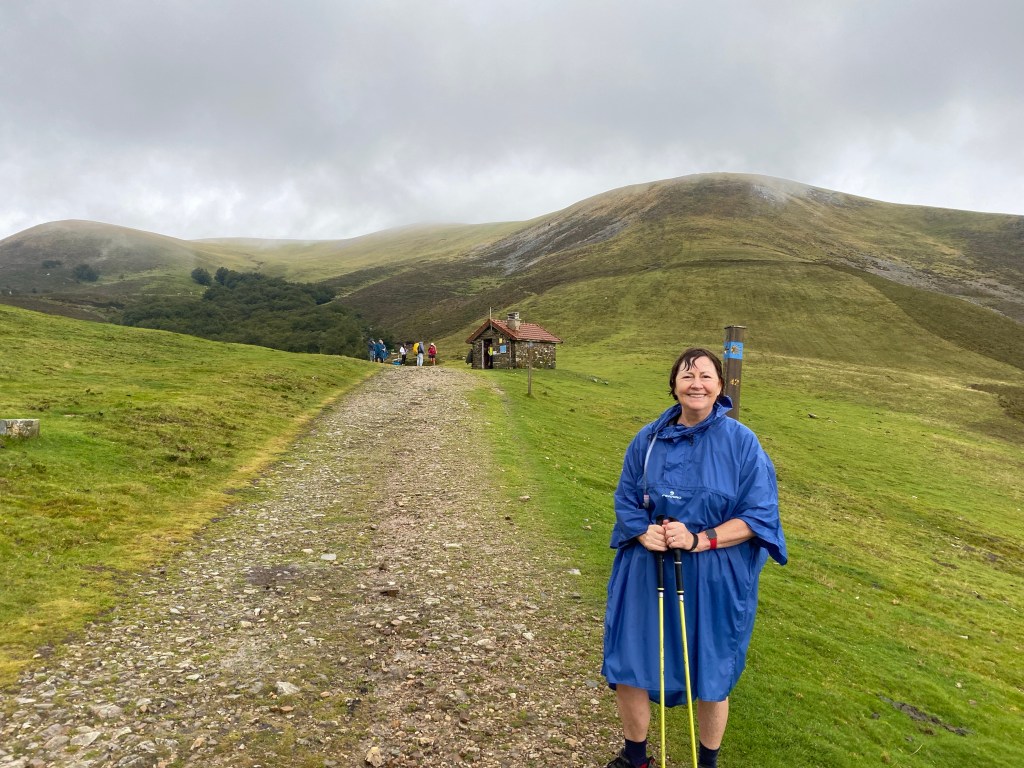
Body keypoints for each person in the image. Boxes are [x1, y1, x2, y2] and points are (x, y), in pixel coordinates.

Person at [602, 347, 787, 768]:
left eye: (705, 376)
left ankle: (707, 763)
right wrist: (641, 530)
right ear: (674, 386)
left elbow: (759, 515)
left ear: (720, 386)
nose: (696, 384)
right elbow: (626, 495)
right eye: (687, 376)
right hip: (646, 568)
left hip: (714, 576)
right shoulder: (648, 439)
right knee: (630, 661)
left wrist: (700, 539)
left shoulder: (742, 443)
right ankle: (635, 758)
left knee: (711, 671)